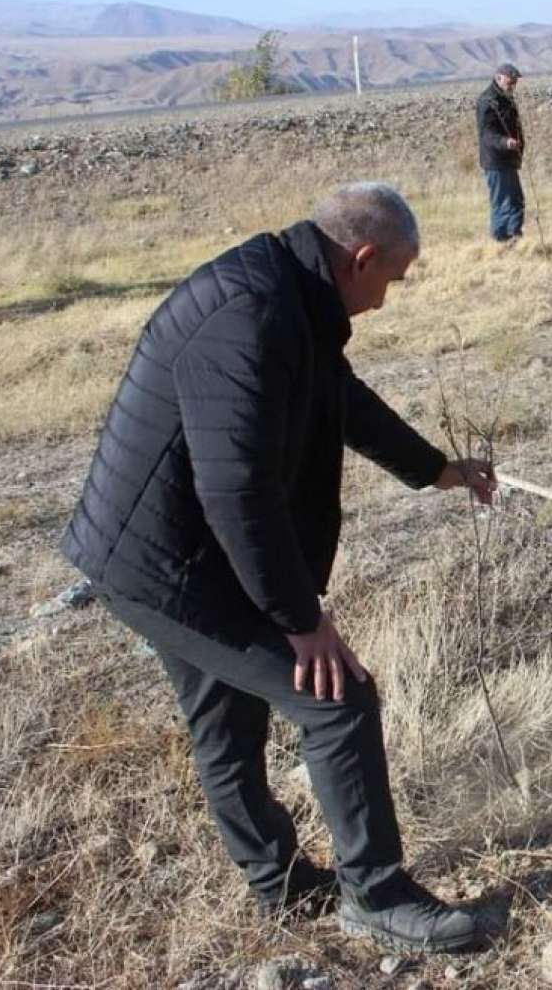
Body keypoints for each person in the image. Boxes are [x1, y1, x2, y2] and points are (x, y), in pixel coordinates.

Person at [59, 182, 498, 952]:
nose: (386, 301)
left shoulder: (287, 289)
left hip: (164, 547)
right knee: (338, 701)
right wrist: (302, 621)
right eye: (389, 281)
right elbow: (236, 493)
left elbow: (340, 399)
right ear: (360, 259)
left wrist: (435, 470)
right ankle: (377, 893)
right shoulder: (254, 314)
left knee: (227, 717)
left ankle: (282, 890)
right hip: (164, 563)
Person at [476, 63, 525, 243]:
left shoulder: (506, 98)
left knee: (516, 200)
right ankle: (500, 239)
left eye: (514, 83)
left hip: (510, 159)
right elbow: (486, 134)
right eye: (510, 82)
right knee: (502, 202)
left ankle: (515, 235)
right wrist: (505, 142)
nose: (513, 86)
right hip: (495, 161)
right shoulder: (487, 101)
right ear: (498, 77)